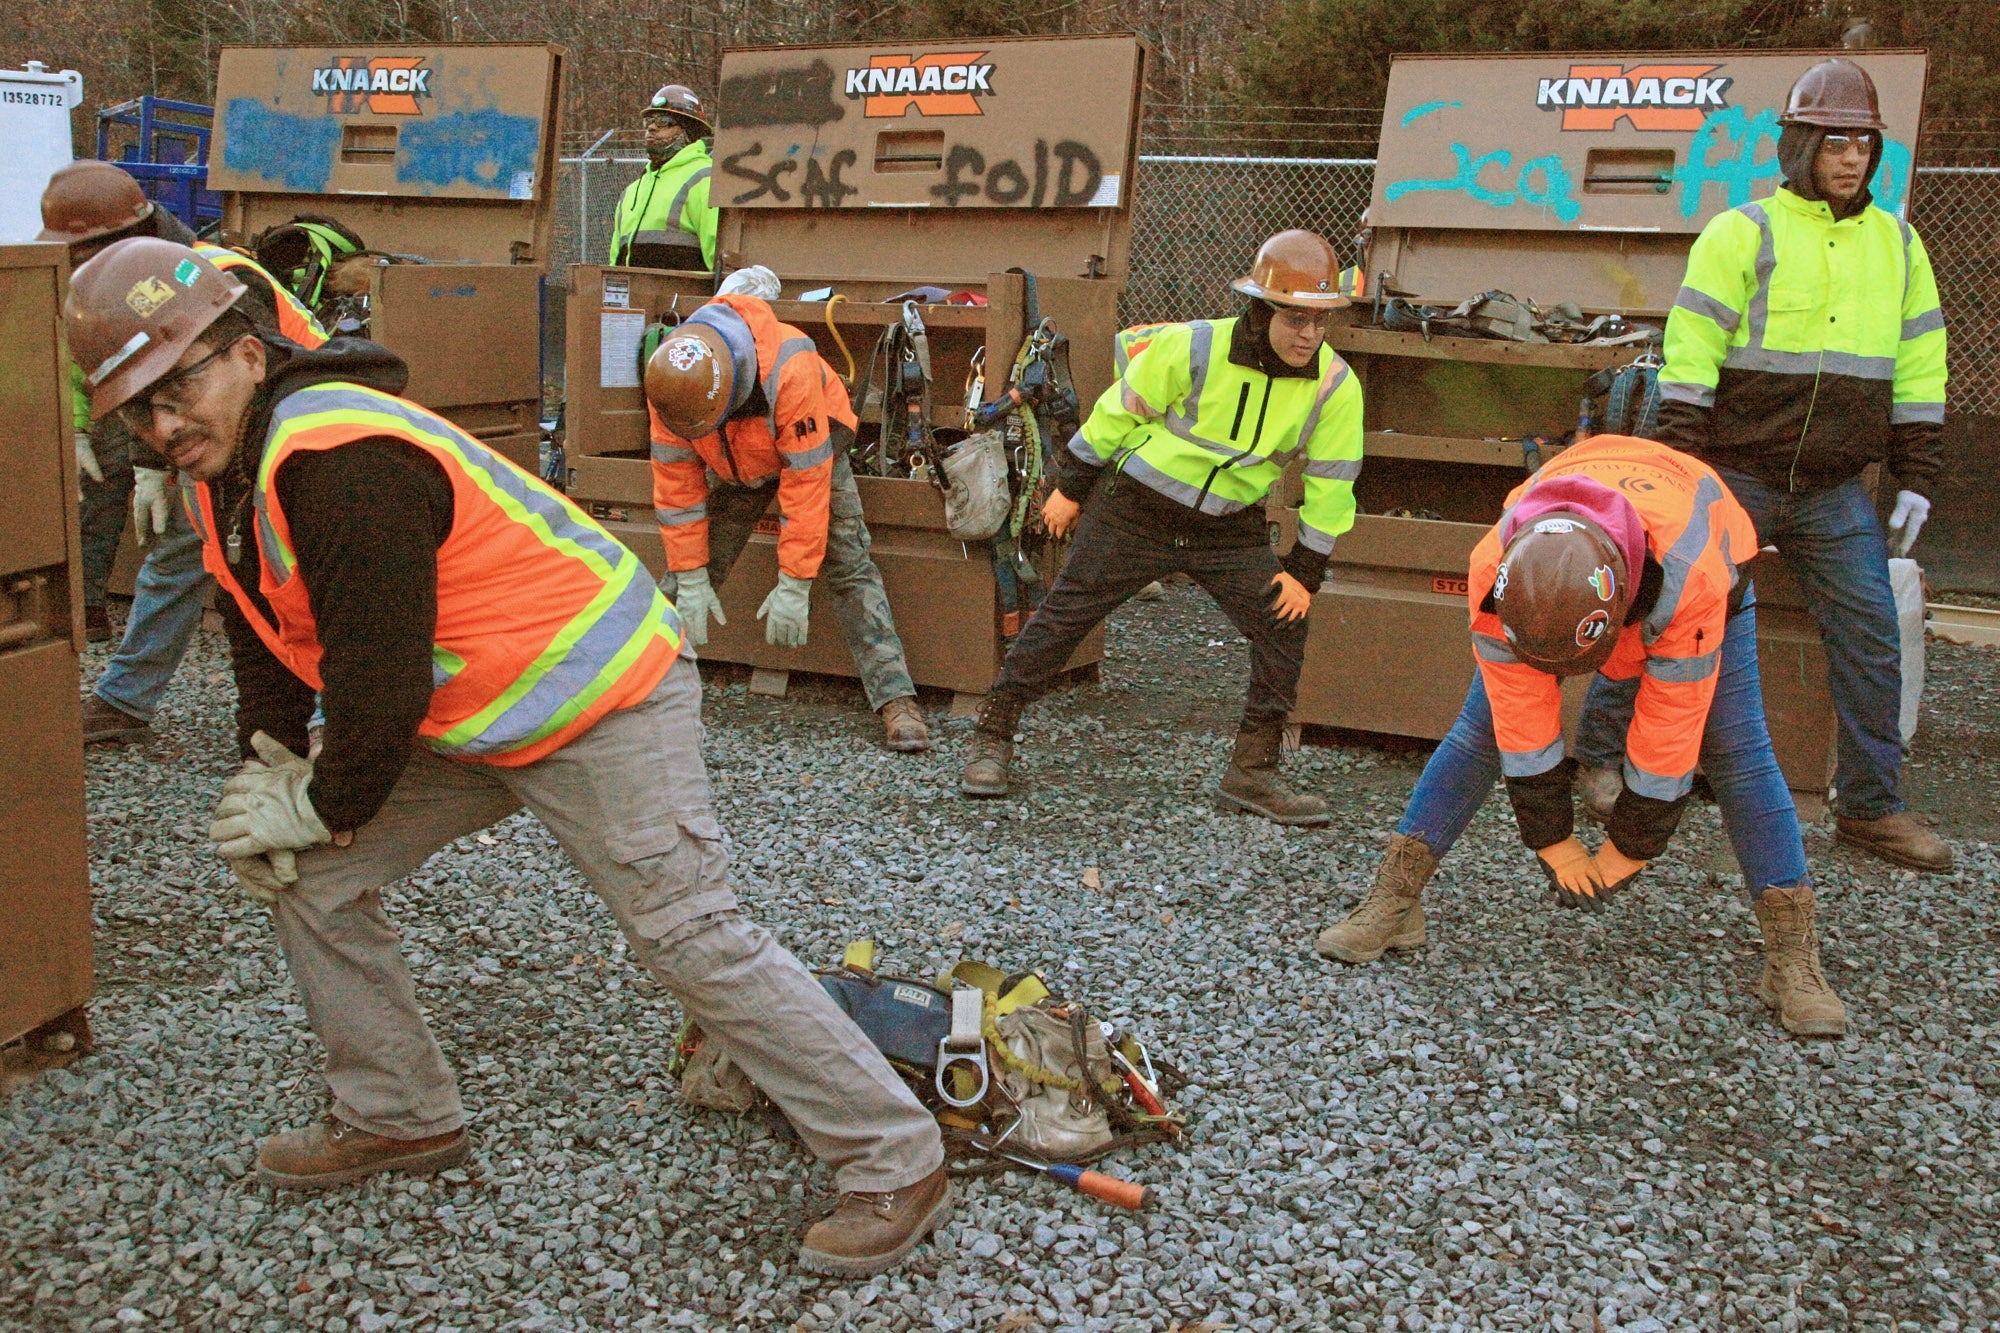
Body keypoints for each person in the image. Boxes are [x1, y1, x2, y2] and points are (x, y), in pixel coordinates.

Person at [63, 238, 952, 1277]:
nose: (165, 425)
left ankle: (894, 1154)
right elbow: (267, 630)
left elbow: (377, 677)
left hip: (600, 696)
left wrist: (325, 791)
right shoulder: (230, 465)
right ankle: (397, 1113)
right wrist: (269, 767)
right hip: (470, 713)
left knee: (687, 935)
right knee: (311, 874)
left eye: (181, 386)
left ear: (248, 352)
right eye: (140, 407)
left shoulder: (334, 456)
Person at [1315, 434, 1848, 1037]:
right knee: (1479, 733)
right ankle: (1395, 899)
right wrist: (1553, 841)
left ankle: (1792, 961)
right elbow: (1520, 721)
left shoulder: (1693, 578)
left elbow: (1669, 733)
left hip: (1698, 573)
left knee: (1739, 755)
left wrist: (1629, 847)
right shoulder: (1496, 573)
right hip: (1590, 575)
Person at [1571, 57, 1952, 873]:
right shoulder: (1742, 232)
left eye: (1864, 143)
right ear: (1799, 145)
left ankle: (1872, 809)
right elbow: (1692, 349)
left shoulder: (1899, 245)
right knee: (1663, 606)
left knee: (1872, 638)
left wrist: (1918, 471)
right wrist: (1679, 466)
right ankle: (1598, 758)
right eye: (1834, 141)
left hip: (1830, 492)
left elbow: (1921, 363)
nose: (1851, 158)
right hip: (1732, 476)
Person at [959, 230, 1364, 823]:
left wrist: (1306, 570)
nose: (1309, 334)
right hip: (1137, 509)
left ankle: (1252, 774)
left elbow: (1334, 482)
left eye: (1320, 321)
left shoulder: (1335, 387)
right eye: (1296, 317)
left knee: (1284, 627)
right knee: (1066, 612)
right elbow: (1117, 412)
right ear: (1261, 307)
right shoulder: (1191, 347)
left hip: (1230, 526)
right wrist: (1072, 488)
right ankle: (993, 735)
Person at [38, 161, 331, 747]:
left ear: (124, 238)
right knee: (192, 556)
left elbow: (239, 377)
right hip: (223, 430)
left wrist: (154, 466)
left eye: (82, 252)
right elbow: (107, 370)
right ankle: (129, 699)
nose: (76, 267)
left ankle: (331, 716)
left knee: (297, 568)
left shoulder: (218, 273)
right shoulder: (126, 284)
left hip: (303, 423)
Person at [644, 291, 932, 751]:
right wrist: (690, 574)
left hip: (811, 452)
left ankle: (896, 699)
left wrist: (795, 583)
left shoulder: (789, 370)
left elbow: (806, 486)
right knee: (683, 585)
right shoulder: (672, 385)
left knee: (849, 566)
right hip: (734, 462)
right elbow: (677, 492)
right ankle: (633, 692)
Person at [608, 85, 715, 271]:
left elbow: (720, 260)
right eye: (649, 121)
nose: (651, 127)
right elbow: (615, 260)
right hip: (633, 299)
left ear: (688, 131)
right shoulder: (632, 191)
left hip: (688, 299)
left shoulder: (705, 179)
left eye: (663, 122)